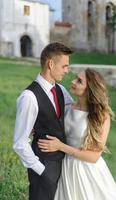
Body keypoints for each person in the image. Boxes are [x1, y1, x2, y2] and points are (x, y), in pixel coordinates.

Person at [38, 68, 116, 200]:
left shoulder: (101, 116)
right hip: (66, 167)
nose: (73, 81)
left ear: (89, 89)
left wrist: (60, 146)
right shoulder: (66, 108)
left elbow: (93, 157)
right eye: (75, 78)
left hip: (88, 171)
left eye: (79, 81)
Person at [13, 42, 73, 200]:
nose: (67, 71)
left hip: (62, 166)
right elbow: (19, 143)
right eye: (64, 66)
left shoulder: (61, 90)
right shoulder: (29, 97)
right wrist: (41, 170)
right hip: (43, 169)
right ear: (51, 64)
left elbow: (74, 112)